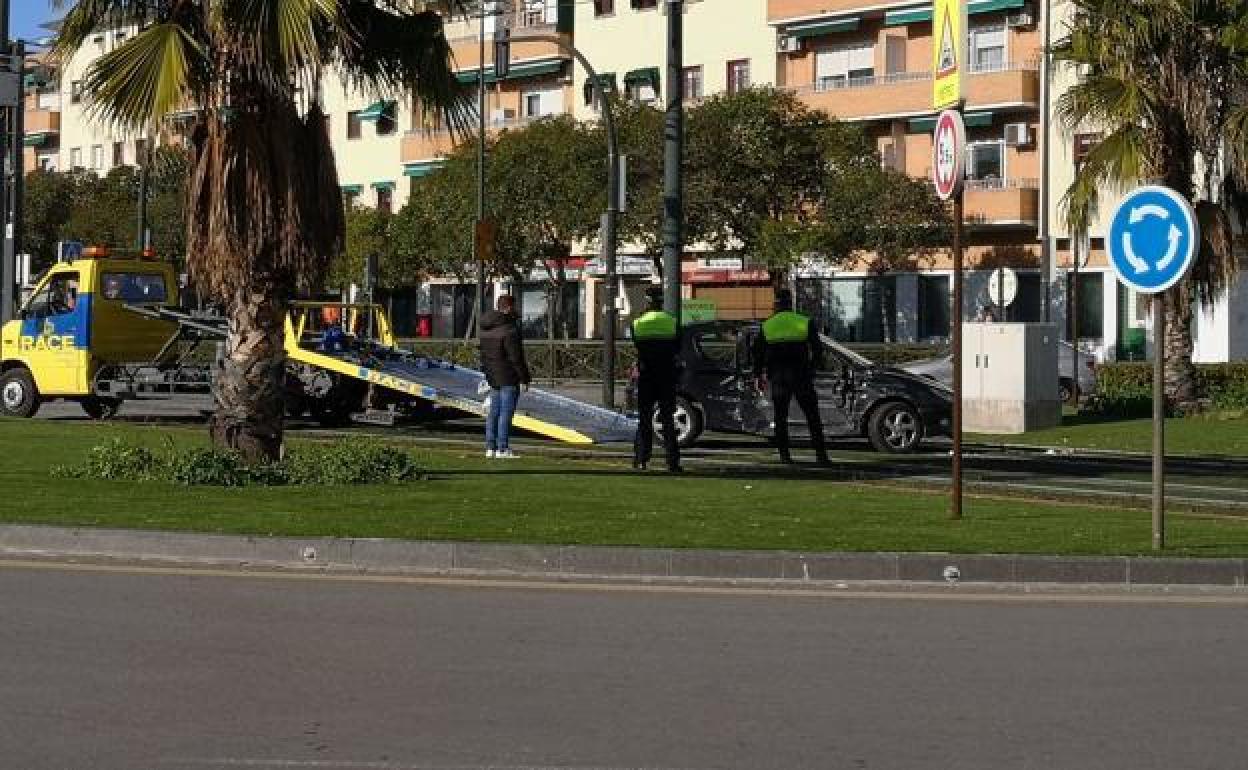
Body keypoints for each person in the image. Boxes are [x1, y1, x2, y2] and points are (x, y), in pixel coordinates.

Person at [752, 288, 831, 466]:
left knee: (781, 418)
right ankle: (821, 455)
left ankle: (785, 456)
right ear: (790, 303)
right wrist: (812, 369)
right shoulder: (804, 321)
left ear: (776, 304)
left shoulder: (767, 325)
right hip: (801, 375)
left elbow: (757, 353)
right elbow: (818, 350)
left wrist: (758, 374)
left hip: (778, 377)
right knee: (812, 416)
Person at [629, 287, 682, 472]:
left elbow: (637, 345)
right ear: (661, 302)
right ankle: (673, 462)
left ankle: (641, 459)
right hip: (666, 376)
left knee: (644, 418)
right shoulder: (672, 322)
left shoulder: (637, 323)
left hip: (647, 375)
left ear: (647, 302)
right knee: (667, 419)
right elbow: (678, 348)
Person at [479, 295, 531, 459]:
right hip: (508, 376)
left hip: (493, 376)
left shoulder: (486, 329)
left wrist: (488, 375)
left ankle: (490, 447)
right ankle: (503, 448)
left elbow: (484, 355)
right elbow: (516, 357)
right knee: (505, 414)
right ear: (508, 308)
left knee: (494, 412)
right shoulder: (509, 330)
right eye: (515, 306)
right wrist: (525, 378)